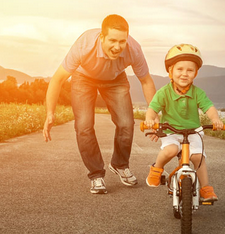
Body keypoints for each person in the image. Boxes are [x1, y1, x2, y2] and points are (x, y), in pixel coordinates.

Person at [43, 14, 156, 194]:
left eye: (122, 41)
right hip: (84, 77)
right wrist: (50, 112)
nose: (117, 47)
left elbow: (146, 81)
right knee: (84, 125)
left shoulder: (134, 49)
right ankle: (96, 174)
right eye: (112, 40)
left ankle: (120, 164)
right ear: (102, 37)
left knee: (126, 123)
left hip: (115, 78)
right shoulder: (84, 45)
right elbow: (57, 79)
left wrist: (153, 112)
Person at [144, 44, 223, 202]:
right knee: (170, 150)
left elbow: (209, 108)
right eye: (179, 69)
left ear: (196, 73)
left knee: (197, 157)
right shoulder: (164, 92)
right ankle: (156, 169)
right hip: (171, 131)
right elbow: (152, 108)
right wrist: (150, 120)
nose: (184, 74)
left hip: (193, 131)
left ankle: (206, 189)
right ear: (170, 71)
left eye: (190, 70)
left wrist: (215, 119)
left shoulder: (198, 93)